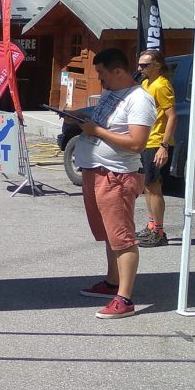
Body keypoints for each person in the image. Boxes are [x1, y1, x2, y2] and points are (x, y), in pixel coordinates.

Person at [66, 48, 156, 319]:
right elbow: (101, 120)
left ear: (117, 71)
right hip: (95, 171)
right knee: (109, 233)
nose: (99, 78)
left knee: (122, 238)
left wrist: (96, 131)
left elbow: (137, 143)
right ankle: (112, 282)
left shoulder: (139, 99)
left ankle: (124, 298)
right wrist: (80, 116)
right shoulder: (110, 93)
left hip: (116, 175)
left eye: (101, 73)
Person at [135, 50, 177, 247]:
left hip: (156, 143)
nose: (140, 68)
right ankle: (151, 225)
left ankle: (159, 232)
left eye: (144, 65)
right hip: (145, 141)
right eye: (139, 65)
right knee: (147, 187)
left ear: (157, 66)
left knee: (154, 188)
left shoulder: (161, 85)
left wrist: (164, 146)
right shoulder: (145, 84)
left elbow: (172, 116)